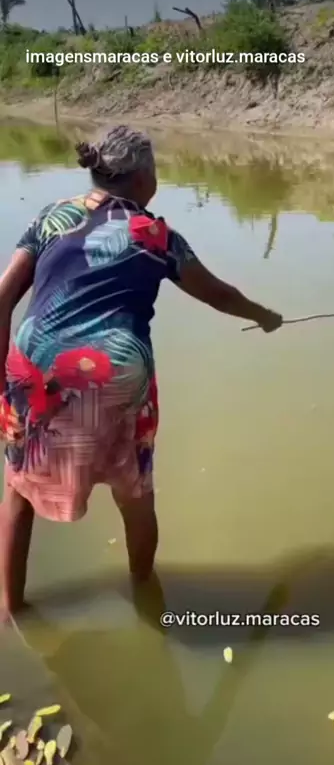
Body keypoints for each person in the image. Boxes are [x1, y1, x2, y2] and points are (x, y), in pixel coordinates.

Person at [0, 124, 282, 620]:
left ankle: (10, 609)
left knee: (19, 491)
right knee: (134, 491)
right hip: (115, 369)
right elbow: (217, 294)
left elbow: (3, 298)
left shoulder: (52, 217)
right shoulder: (155, 234)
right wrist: (263, 316)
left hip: (35, 366)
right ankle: (146, 595)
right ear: (142, 179)